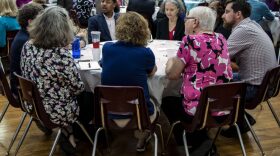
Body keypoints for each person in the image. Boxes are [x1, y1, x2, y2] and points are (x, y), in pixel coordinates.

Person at [163, 6, 232, 154]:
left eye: (187, 19)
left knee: (167, 100)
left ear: (195, 22)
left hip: (199, 111)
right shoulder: (221, 38)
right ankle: (201, 139)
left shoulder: (189, 41)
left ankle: (197, 141)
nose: (184, 22)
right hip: (224, 107)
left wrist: (170, 61)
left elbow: (173, 74)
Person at [20, 6, 85, 152]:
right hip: (55, 112)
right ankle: (77, 133)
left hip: (33, 106)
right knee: (87, 97)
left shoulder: (27, 46)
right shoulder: (60, 55)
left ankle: (68, 134)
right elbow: (78, 87)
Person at [101, 11, 157, 152]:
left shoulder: (107, 48)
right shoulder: (145, 53)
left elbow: (103, 64)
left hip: (108, 112)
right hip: (139, 114)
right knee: (157, 99)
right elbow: (152, 72)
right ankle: (143, 136)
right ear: (143, 30)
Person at [221, 0, 277, 137]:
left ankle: (237, 120)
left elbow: (218, 59)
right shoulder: (252, 25)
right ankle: (242, 119)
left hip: (254, 88)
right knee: (221, 78)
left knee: (208, 86)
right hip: (266, 85)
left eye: (227, 12)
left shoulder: (243, 30)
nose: (223, 15)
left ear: (238, 14)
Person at [10, 2, 43, 102]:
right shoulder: (26, 42)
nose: (43, 23)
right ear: (30, 22)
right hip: (23, 91)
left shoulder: (24, 35)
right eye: (41, 20)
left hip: (23, 87)